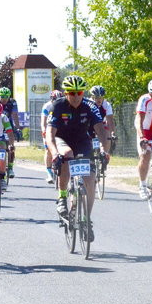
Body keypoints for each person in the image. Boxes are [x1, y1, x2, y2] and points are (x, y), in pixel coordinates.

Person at [46, 75, 108, 242]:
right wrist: (54, 154)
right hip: (62, 140)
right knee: (67, 155)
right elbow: (50, 134)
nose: (75, 96)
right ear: (66, 93)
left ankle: (86, 219)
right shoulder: (57, 106)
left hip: (82, 141)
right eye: (72, 93)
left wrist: (104, 150)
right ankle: (62, 196)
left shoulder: (90, 106)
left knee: (90, 180)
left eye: (79, 92)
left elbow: (101, 130)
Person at [40, 89, 63, 184]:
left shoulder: (63, 105)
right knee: (48, 150)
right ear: (51, 99)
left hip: (59, 128)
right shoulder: (47, 106)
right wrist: (44, 131)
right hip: (49, 129)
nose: (57, 102)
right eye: (55, 100)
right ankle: (49, 172)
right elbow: (43, 122)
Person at [0, 87, 20, 174]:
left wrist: (17, 128)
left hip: (7, 125)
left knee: (11, 146)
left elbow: (15, 115)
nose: (4, 99)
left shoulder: (12, 102)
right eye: (2, 97)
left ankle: (10, 167)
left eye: (6, 97)